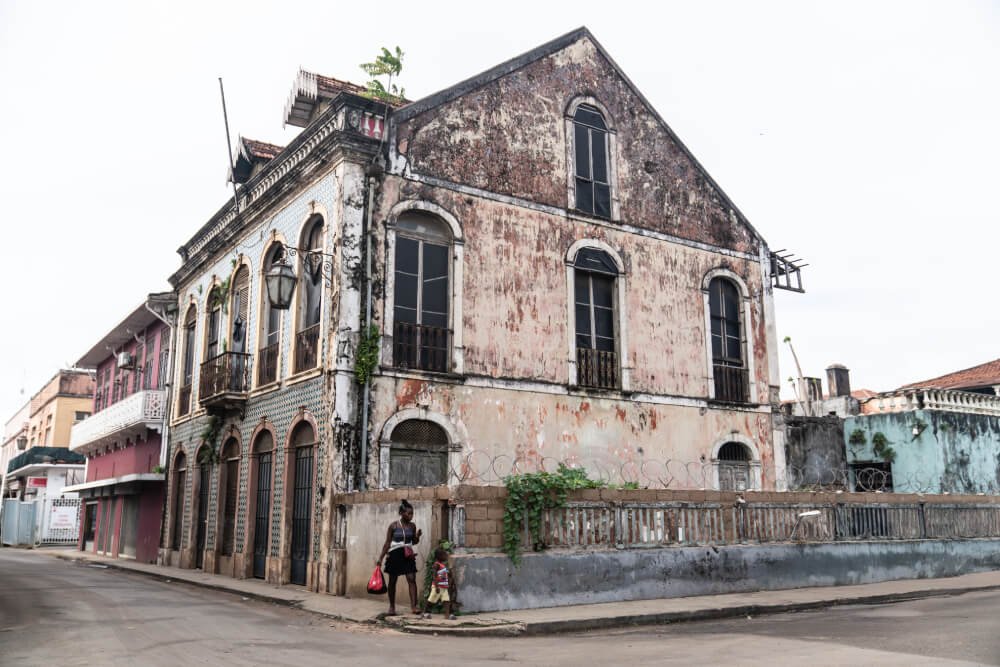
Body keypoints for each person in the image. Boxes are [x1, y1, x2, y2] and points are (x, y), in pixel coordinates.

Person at [376, 499, 422, 616]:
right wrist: (380, 558)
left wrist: (417, 536)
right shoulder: (393, 526)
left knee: (411, 579)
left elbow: (414, 542)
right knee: (392, 581)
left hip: (408, 554)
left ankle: (414, 606)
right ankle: (392, 606)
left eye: (412, 513)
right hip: (395, 554)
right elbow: (387, 543)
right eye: (408, 513)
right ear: (401, 513)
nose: (411, 515)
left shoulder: (412, 526)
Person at [422, 546, 456, 620]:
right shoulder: (436, 565)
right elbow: (434, 576)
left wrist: (449, 572)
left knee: (446, 600)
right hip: (437, 587)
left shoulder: (443, 566)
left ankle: (447, 615)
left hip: (444, 587)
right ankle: (425, 612)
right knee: (431, 600)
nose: (446, 556)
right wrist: (436, 586)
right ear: (440, 556)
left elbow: (446, 574)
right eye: (444, 555)